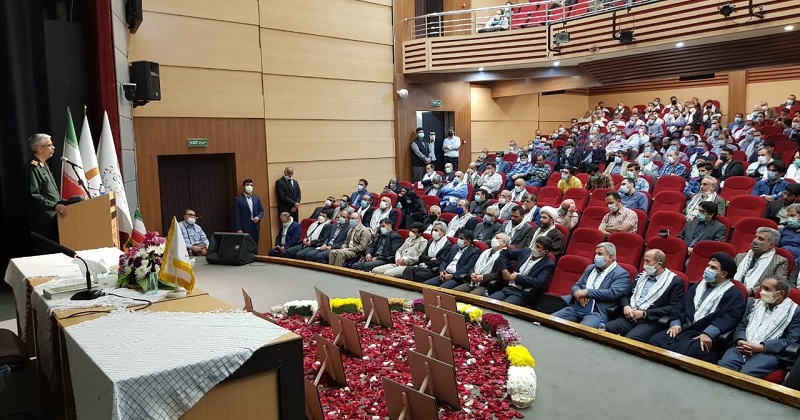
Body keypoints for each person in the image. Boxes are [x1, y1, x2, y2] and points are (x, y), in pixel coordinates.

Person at [649, 252, 746, 363]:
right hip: (683, 329)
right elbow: (681, 305)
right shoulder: (698, 286)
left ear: (724, 274)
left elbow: (729, 318)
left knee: (688, 352)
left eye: (713, 268)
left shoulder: (734, 294)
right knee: (656, 340)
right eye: (708, 266)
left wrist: (708, 333)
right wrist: (675, 323)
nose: (708, 269)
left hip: (705, 335)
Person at [717, 276, 800, 378]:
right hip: (742, 346)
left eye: (767, 289)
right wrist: (740, 340)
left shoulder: (795, 312)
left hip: (768, 353)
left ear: (780, 293)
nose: (761, 292)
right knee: (723, 369)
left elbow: (790, 340)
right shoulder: (752, 303)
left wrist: (762, 347)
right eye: (761, 287)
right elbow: (741, 325)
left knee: (745, 375)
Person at [606, 249, 685, 342]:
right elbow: (625, 296)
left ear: (659, 265)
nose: (644, 265)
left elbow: (673, 307)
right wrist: (626, 306)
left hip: (650, 321)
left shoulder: (675, 282)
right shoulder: (640, 276)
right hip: (629, 317)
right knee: (604, 329)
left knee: (630, 340)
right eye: (644, 260)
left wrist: (645, 314)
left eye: (648, 261)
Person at [552, 242, 630, 328]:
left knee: (582, 330)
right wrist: (577, 293)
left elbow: (613, 293)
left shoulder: (621, 274)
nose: (596, 256)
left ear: (610, 257)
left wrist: (587, 293)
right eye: (595, 253)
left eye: (600, 254)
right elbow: (577, 285)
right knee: (549, 320)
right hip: (577, 307)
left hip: (597, 311)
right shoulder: (590, 268)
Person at [488, 236, 556, 306]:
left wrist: (517, 277)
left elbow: (538, 282)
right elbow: (504, 252)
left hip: (523, 293)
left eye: (538, 247)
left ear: (545, 252)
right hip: (508, 288)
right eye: (535, 244)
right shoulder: (526, 251)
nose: (534, 248)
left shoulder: (548, 264)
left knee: (502, 306)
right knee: (488, 302)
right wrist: (504, 270)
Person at [26, 133, 68, 244]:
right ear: (40, 148)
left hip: (55, 217)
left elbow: (50, 192)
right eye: (49, 145)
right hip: (45, 220)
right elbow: (34, 195)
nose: (53, 147)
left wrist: (64, 202)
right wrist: (54, 205)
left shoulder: (44, 165)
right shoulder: (33, 167)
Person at [733, 227, 788, 296]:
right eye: (755, 237)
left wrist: (752, 291)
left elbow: (777, 285)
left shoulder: (780, 262)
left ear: (771, 245)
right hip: (732, 291)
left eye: (761, 239)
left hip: (756, 297)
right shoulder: (740, 256)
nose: (755, 240)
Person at [234, 179, 265, 245]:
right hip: (244, 228)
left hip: (255, 227)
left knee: (255, 246)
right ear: (244, 187)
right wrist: (239, 229)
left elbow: (261, 210)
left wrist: (258, 217)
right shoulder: (238, 199)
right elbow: (236, 215)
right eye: (247, 185)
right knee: (245, 247)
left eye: (251, 185)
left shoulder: (256, 198)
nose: (249, 187)